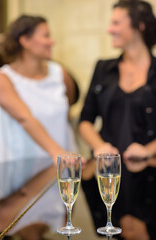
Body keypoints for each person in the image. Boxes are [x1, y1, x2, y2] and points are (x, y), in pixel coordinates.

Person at [0, 15, 80, 240]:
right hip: (21, 173)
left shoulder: (59, 74)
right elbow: (25, 118)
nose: (51, 41)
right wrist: (58, 153)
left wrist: (63, 158)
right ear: (24, 40)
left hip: (61, 172)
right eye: (46, 36)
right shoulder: (2, 79)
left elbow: (68, 111)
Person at [79, 0, 156, 239]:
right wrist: (99, 146)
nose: (109, 29)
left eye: (116, 22)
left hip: (148, 175)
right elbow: (85, 121)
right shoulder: (103, 68)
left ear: (139, 26)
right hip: (104, 175)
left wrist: (147, 149)